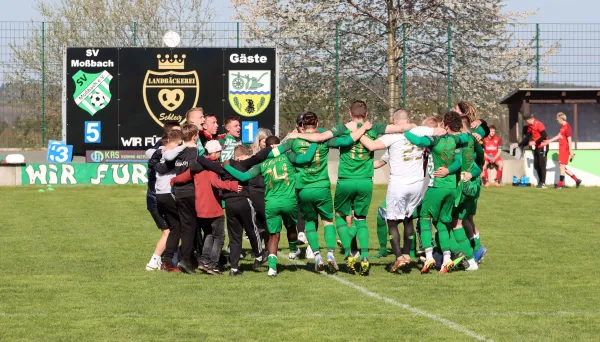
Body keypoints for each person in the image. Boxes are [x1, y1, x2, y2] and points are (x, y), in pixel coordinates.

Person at [291, 102, 414, 275]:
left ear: (349, 113)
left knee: (340, 216)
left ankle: (349, 253)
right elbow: (400, 127)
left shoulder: (342, 128)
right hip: (365, 180)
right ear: (367, 112)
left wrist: (294, 136)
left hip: (345, 180)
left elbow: (322, 137)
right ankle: (364, 256)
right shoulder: (375, 127)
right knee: (361, 218)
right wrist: (416, 126)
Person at [359, 111, 446, 273]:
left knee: (391, 221)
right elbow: (440, 131)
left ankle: (399, 257)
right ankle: (407, 254)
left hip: (399, 185)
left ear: (394, 122)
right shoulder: (418, 131)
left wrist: (356, 132)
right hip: (418, 185)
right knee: (408, 219)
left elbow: (371, 145)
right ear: (408, 121)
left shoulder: (392, 137)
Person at [289, 112, 372, 273]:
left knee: (310, 223)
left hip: (304, 188)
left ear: (301, 125)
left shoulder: (294, 140)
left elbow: (274, 151)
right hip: (322, 187)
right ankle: (331, 255)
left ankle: (318, 256)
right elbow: (347, 140)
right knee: (328, 222)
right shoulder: (325, 140)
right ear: (317, 123)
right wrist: (362, 129)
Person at [225, 136, 318, 276]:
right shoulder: (288, 156)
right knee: (291, 226)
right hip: (289, 200)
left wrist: (226, 166)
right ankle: (293, 249)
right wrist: (315, 142)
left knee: (273, 235)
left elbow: (243, 177)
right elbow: (306, 159)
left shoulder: (262, 163)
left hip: (270, 202)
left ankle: (272, 268)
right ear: (278, 145)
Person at [404, 111, 468, 273]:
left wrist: (404, 129)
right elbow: (459, 160)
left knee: (425, 219)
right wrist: (448, 170)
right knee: (442, 222)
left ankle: (429, 256)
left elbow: (416, 139)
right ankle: (447, 258)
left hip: (436, 186)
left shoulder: (436, 139)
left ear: (445, 126)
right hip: (452, 188)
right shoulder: (459, 140)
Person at [170, 140, 242, 275]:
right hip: (213, 208)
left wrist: (174, 180)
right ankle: (213, 265)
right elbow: (215, 183)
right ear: (214, 153)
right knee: (219, 236)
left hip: (200, 208)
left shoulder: (197, 165)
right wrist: (232, 186)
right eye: (219, 152)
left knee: (208, 234)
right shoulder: (212, 167)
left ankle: (203, 262)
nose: (221, 154)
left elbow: (183, 177)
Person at [144, 128, 182, 272]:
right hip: (162, 195)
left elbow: (149, 154)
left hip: (158, 196)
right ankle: (158, 261)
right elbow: (161, 166)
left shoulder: (159, 150)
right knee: (172, 230)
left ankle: (169, 260)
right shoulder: (170, 152)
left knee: (174, 228)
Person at [541, 112, 582, 189]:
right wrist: (548, 141)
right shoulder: (562, 127)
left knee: (562, 167)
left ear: (561, 118)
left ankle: (559, 185)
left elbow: (569, 140)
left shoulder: (567, 127)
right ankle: (577, 180)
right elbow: (558, 136)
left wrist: (571, 152)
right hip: (562, 149)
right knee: (563, 167)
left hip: (564, 150)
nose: (557, 121)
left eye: (557, 120)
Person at [249, 128, 274, 252]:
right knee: (257, 222)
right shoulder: (254, 156)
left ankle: (269, 249)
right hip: (255, 192)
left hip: (269, 190)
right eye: (262, 140)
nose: (264, 142)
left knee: (268, 221)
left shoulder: (274, 156)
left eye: (266, 140)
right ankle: (259, 252)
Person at [522, 113, 548, 188]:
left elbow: (544, 135)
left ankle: (543, 183)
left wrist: (535, 142)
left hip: (543, 146)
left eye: (526, 121)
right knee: (536, 165)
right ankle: (540, 182)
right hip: (536, 146)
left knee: (542, 164)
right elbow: (527, 137)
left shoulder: (538, 124)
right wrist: (520, 144)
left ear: (528, 119)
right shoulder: (530, 126)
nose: (526, 122)